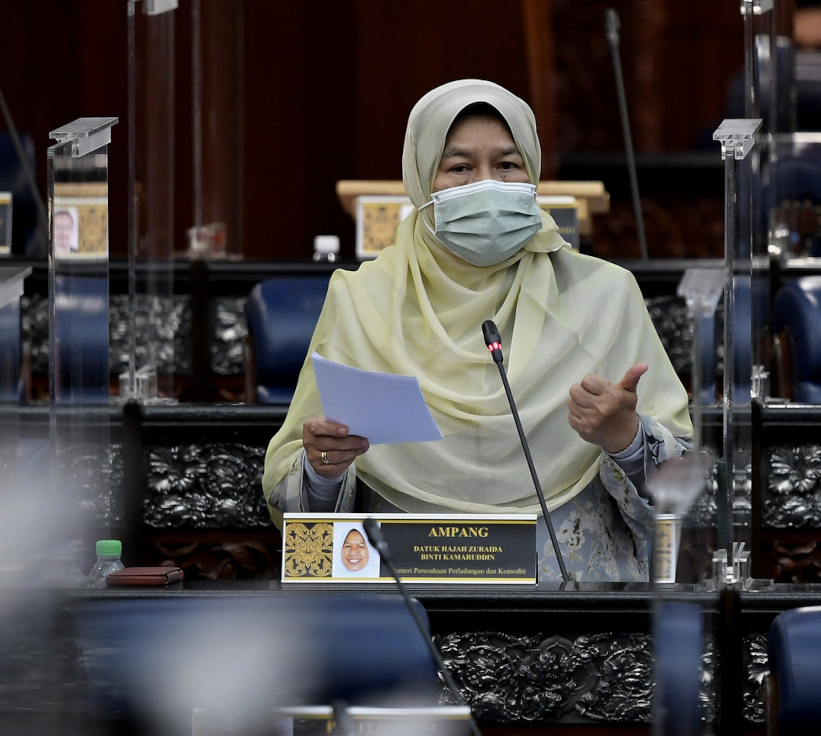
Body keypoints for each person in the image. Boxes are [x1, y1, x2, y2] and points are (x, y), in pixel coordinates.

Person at [263, 79, 693, 582]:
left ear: (533, 175)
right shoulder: (362, 299)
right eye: (461, 167)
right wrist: (324, 467)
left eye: (508, 166)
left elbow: (688, 496)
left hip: (568, 615)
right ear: (423, 180)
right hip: (403, 598)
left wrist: (628, 439)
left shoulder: (604, 294)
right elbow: (302, 515)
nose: (486, 185)